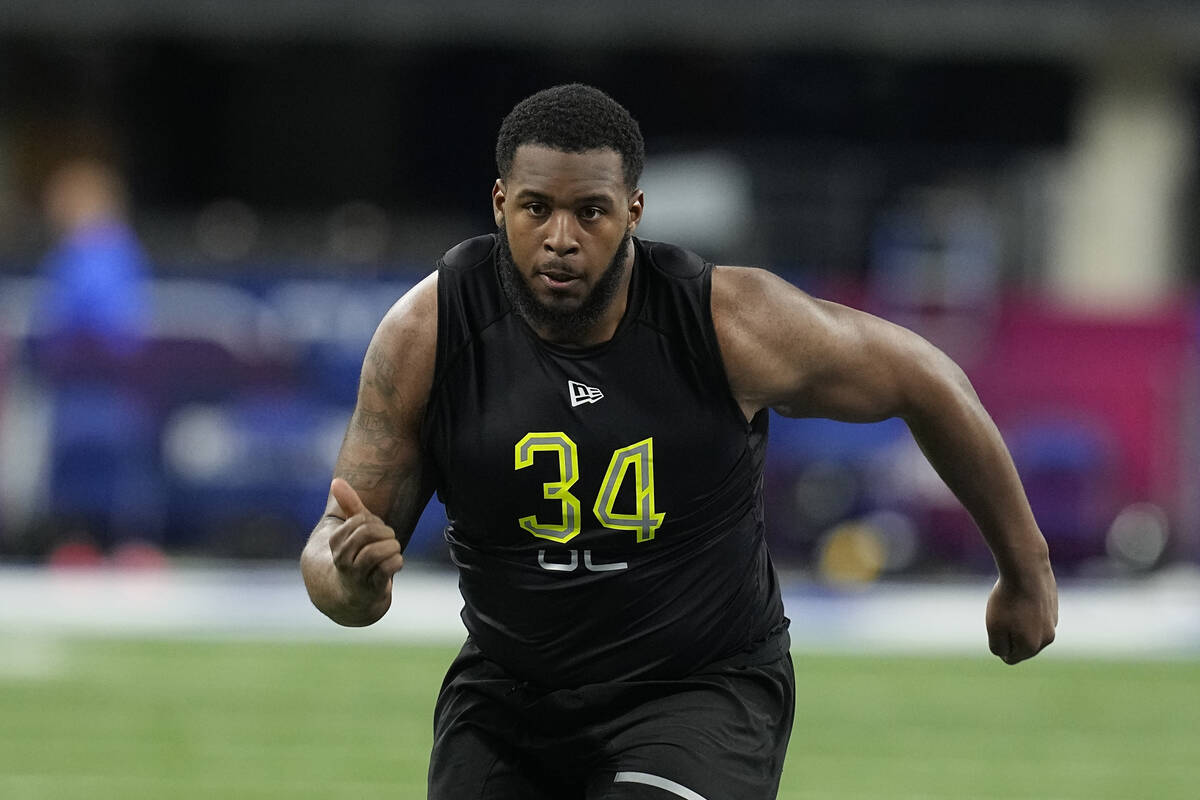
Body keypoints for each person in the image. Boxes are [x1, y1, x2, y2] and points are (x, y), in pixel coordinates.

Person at [301, 83, 1058, 799]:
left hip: (698, 687)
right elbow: (334, 546)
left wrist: (1026, 573)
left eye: (590, 212)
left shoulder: (726, 321)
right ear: (500, 205)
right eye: (537, 208)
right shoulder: (428, 333)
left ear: (634, 210)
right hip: (510, 692)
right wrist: (353, 585)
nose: (560, 239)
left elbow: (927, 380)